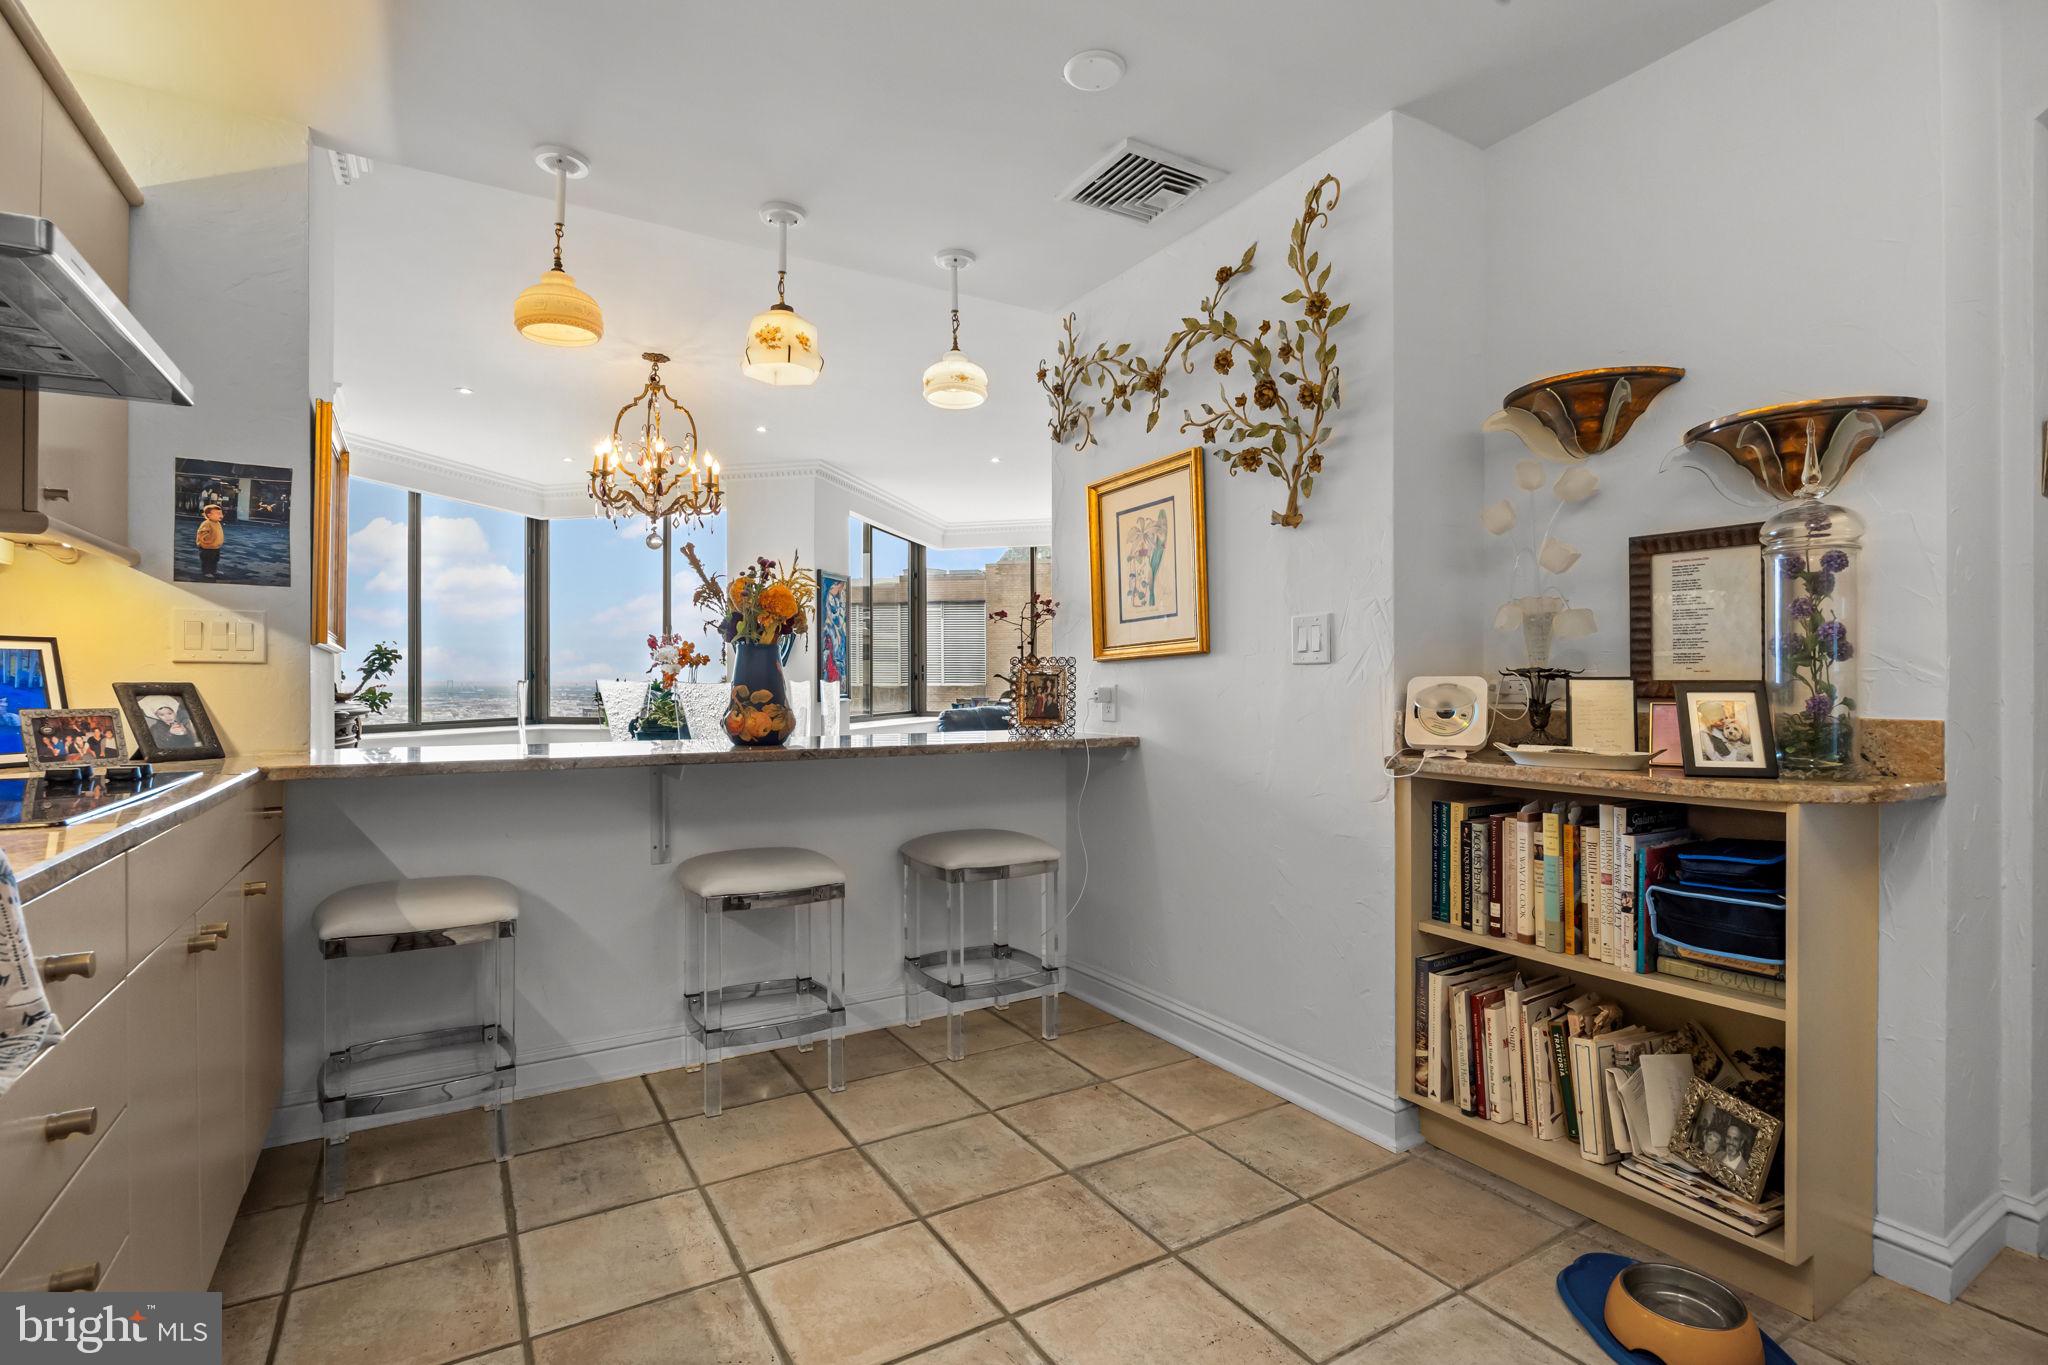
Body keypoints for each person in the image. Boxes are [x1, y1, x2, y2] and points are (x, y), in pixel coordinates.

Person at [195, 504, 227, 581]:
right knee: (207, 560)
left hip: (215, 547)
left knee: (215, 559)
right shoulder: (207, 523)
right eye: (218, 514)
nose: (221, 515)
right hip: (207, 547)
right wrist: (207, 541)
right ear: (209, 515)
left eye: (221, 513)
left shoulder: (217, 523)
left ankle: (214, 570)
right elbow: (202, 534)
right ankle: (206, 572)